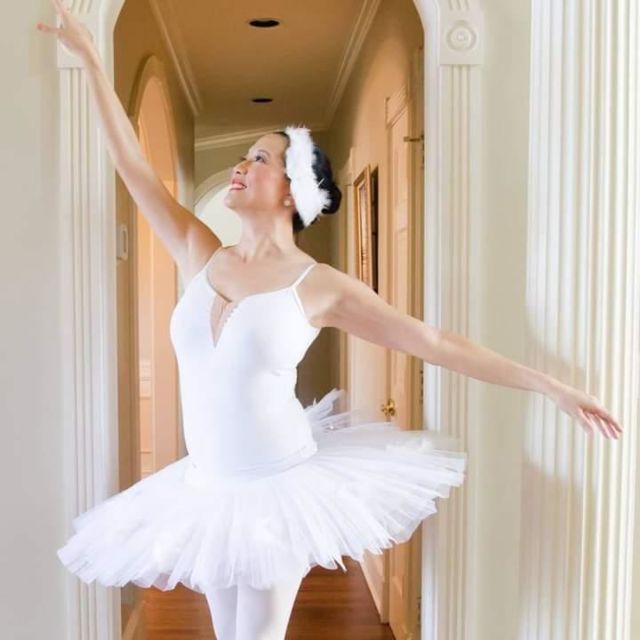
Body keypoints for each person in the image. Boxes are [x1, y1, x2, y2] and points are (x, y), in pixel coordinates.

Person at [38, 2, 622, 638]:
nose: (241, 165)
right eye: (245, 156)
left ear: (292, 190)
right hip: (206, 487)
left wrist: (549, 385)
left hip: (277, 485)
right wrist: (92, 62)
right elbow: (134, 169)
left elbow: (433, 341)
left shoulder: (317, 285)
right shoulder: (201, 253)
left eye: (259, 159)